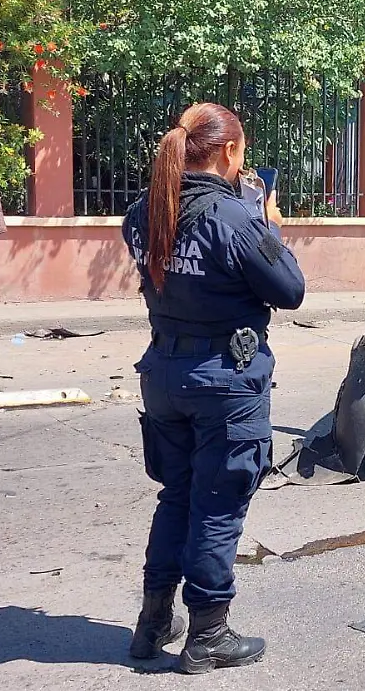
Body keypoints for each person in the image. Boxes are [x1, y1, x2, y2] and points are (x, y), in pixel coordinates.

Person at [122, 103, 305, 674]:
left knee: (176, 496)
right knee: (218, 506)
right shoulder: (234, 218)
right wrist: (266, 223)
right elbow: (291, 289)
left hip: (164, 376)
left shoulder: (142, 213)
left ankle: (153, 621)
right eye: (242, 150)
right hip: (224, 380)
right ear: (228, 152)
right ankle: (208, 632)